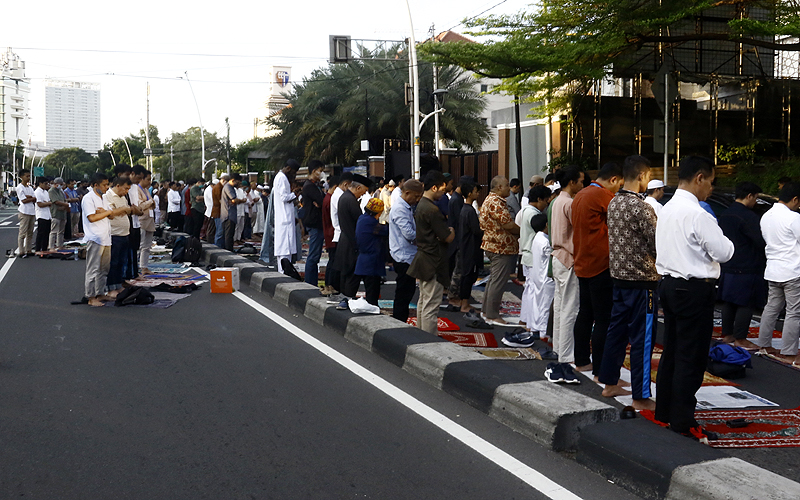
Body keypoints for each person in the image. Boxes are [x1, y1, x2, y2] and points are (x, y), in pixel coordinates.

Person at [655, 155, 734, 440]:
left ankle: (664, 411)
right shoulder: (698, 214)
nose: (711, 189)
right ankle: (683, 419)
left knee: (673, 351)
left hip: (669, 285)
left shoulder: (666, 208)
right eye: (710, 182)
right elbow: (724, 252)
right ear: (699, 178)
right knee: (692, 356)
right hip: (694, 289)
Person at [598, 156, 658, 411]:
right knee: (642, 339)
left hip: (619, 277)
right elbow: (657, 243)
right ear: (642, 176)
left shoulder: (614, 203)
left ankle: (609, 382)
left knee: (616, 332)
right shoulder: (641, 208)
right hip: (642, 281)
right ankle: (641, 395)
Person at [572, 162, 625, 377]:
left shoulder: (581, 195)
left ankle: (582, 360)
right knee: (604, 318)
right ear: (613, 179)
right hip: (600, 264)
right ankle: (601, 370)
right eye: (619, 185)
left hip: (583, 262)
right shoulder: (601, 195)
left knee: (585, 313)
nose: (618, 190)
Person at [755, 181, 800, 365]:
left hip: (772, 269)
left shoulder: (766, 216)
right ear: (795, 199)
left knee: (771, 308)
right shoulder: (793, 218)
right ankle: (788, 351)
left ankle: (764, 344)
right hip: (792, 270)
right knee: (793, 312)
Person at [717, 182, 766, 350]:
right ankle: (740, 338)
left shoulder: (726, 213)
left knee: (729, 301)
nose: (756, 202)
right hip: (747, 265)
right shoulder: (749, 216)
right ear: (749, 196)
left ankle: (727, 334)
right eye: (756, 198)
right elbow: (759, 241)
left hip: (728, 262)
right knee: (746, 303)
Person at [548, 165, 585, 384]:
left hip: (558, 256)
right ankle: (566, 355)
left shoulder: (555, 201)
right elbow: (577, 231)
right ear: (572, 182)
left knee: (561, 306)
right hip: (568, 257)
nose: (582, 184)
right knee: (570, 308)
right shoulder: (568, 203)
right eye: (580, 181)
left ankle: (559, 349)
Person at [408, 171, 455, 334]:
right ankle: (429, 341)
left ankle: (421, 336)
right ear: (434, 187)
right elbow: (447, 237)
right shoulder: (432, 209)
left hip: (425, 257)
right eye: (442, 190)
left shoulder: (421, 205)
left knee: (424, 301)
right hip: (433, 259)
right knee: (430, 305)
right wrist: (451, 230)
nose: (443, 193)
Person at [82, 173, 130, 307]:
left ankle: (100, 292)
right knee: (93, 269)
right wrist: (107, 213)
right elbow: (92, 217)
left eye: (107, 184)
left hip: (106, 237)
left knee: (104, 269)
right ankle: (91, 297)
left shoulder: (103, 198)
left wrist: (105, 212)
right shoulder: (88, 198)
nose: (106, 187)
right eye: (104, 185)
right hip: (95, 237)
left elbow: (111, 215)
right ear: (95, 185)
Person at [479, 176, 520, 326]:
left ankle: (486, 310)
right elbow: (508, 225)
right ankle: (492, 314)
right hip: (500, 247)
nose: (509, 188)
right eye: (507, 185)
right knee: (498, 281)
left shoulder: (490, 199)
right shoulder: (496, 202)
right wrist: (522, 231)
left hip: (493, 245)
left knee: (493, 280)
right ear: (499, 188)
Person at [511, 213, 554, 348]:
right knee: (545, 305)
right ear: (546, 225)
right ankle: (542, 331)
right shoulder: (545, 241)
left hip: (538, 275)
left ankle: (535, 328)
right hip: (545, 277)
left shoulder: (537, 238)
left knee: (537, 303)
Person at [516, 185, 552, 342]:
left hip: (528, 253)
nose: (546, 204)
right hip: (533, 256)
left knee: (530, 290)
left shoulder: (523, 211)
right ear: (538, 200)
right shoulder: (534, 214)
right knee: (534, 293)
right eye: (545, 200)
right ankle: (531, 322)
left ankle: (526, 320)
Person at [331, 175, 371, 309]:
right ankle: (347, 299)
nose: (364, 194)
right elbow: (359, 222)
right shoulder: (350, 200)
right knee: (352, 273)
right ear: (358, 187)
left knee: (347, 272)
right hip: (351, 241)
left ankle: (345, 298)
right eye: (364, 191)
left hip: (345, 239)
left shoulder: (345, 197)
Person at [389, 179, 424, 322]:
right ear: (407, 192)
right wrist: (424, 236)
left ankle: (400, 318)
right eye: (416, 197)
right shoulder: (400, 208)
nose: (417, 200)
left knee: (407, 291)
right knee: (403, 292)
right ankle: (399, 320)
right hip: (403, 255)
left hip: (407, 254)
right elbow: (409, 233)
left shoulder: (405, 207)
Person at [354, 198, 390, 306]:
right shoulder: (371, 223)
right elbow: (386, 230)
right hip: (371, 261)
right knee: (372, 293)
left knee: (370, 289)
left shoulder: (362, 218)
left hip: (364, 259)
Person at [456, 179, 483, 313]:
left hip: (466, 246)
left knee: (466, 275)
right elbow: (476, 230)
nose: (477, 194)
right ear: (469, 193)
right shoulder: (469, 211)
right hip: (471, 248)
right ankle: (465, 304)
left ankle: (463, 302)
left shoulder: (465, 209)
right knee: (468, 275)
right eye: (476, 191)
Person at [104, 176, 133, 298]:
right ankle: (111, 287)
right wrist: (123, 210)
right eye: (125, 188)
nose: (126, 191)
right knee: (113, 262)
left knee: (122, 261)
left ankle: (118, 284)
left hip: (125, 233)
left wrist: (123, 210)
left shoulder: (123, 197)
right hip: (114, 234)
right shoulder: (108, 196)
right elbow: (111, 213)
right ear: (118, 186)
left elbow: (129, 210)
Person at [327, 172, 353, 296]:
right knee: (337, 264)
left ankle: (334, 285)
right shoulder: (339, 196)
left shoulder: (339, 194)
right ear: (345, 184)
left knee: (337, 263)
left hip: (339, 232)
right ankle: (333, 285)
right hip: (339, 232)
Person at [302, 160, 326, 286]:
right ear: (313, 171)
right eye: (320, 171)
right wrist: (320, 202)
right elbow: (321, 200)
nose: (321, 173)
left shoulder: (314, 185)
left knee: (315, 255)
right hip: (314, 223)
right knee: (313, 255)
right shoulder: (309, 186)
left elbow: (321, 201)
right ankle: (310, 282)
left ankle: (312, 281)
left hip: (317, 223)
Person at [274, 160, 301, 273]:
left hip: (284, 217)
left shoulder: (280, 177)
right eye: (294, 172)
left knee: (285, 248)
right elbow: (284, 197)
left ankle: (283, 270)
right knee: (285, 247)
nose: (293, 175)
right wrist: (295, 194)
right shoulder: (282, 178)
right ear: (289, 169)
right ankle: (284, 271)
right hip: (284, 218)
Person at [321, 176, 340, 296]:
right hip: (331, 233)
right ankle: (330, 285)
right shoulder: (330, 200)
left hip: (329, 233)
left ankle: (329, 284)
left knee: (332, 261)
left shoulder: (328, 199)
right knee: (333, 261)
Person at [136, 169, 157, 275]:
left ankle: (144, 267)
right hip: (142, 220)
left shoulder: (146, 190)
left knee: (147, 246)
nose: (149, 182)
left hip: (150, 219)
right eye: (148, 179)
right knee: (141, 245)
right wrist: (150, 202)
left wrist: (150, 203)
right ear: (142, 179)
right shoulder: (137, 189)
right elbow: (140, 205)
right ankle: (138, 267)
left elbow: (151, 204)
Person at [220, 173, 244, 251]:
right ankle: (228, 251)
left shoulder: (230, 187)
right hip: (228, 215)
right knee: (228, 236)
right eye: (238, 182)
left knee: (229, 235)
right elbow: (234, 200)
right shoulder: (228, 187)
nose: (238, 184)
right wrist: (241, 200)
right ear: (233, 180)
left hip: (229, 214)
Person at [16, 169, 36, 257]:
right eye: (26, 176)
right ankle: (21, 250)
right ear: (21, 177)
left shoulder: (30, 188)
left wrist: (29, 197)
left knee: (30, 232)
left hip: (31, 211)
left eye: (29, 176)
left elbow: (34, 198)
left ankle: (28, 249)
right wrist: (29, 198)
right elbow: (23, 200)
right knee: (22, 232)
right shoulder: (19, 187)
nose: (28, 178)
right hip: (24, 211)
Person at [48, 177, 69, 249]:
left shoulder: (60, 191)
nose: (61, 186)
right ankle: (51, 247)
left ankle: (60, 245)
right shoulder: (51, 191)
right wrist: (65, 204)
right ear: (56, 184)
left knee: (61, 231)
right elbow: (56, 201)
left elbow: (64, 200)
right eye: (60, 184)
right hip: (55, 213)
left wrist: (65, 204)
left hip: (63, 213)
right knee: (54, 231)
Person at [33, 177, 53, 252]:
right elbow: (40, 204)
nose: (46, 185)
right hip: (41, 215)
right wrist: (47, 203)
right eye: (45, 184)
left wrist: (47, 203)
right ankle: (38, 248)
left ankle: (44, 247)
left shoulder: (46, 192)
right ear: (40, 183)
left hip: (47, 215)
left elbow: (48, 202)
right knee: (41, 233)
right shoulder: (37, 192)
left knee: (47, 232)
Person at [212, 174, 228, 248]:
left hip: (220, 212)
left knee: (221, 231)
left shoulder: (220, 187)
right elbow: (220, 200)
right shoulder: (218, 188)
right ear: (224, 180)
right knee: (220, 231)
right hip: (218, 212)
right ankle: (218, 246)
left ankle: (220, 245)